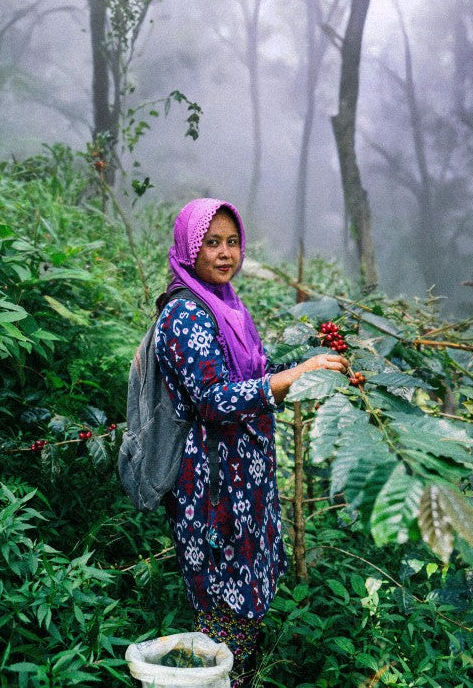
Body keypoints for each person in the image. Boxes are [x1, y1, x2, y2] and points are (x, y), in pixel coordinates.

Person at [154, 198, 348, 686]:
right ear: (188, 248)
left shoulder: (228, 306)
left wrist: (304, 372)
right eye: (211, 242)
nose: (225, 253)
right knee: (224, 589)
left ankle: (237, 673)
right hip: (212, 483)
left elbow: (255, 373)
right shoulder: (185, 312)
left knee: (245, 582)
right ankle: (221, 677)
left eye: (233, 242)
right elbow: (212, 399)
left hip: (244, 475)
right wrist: (291, 378)